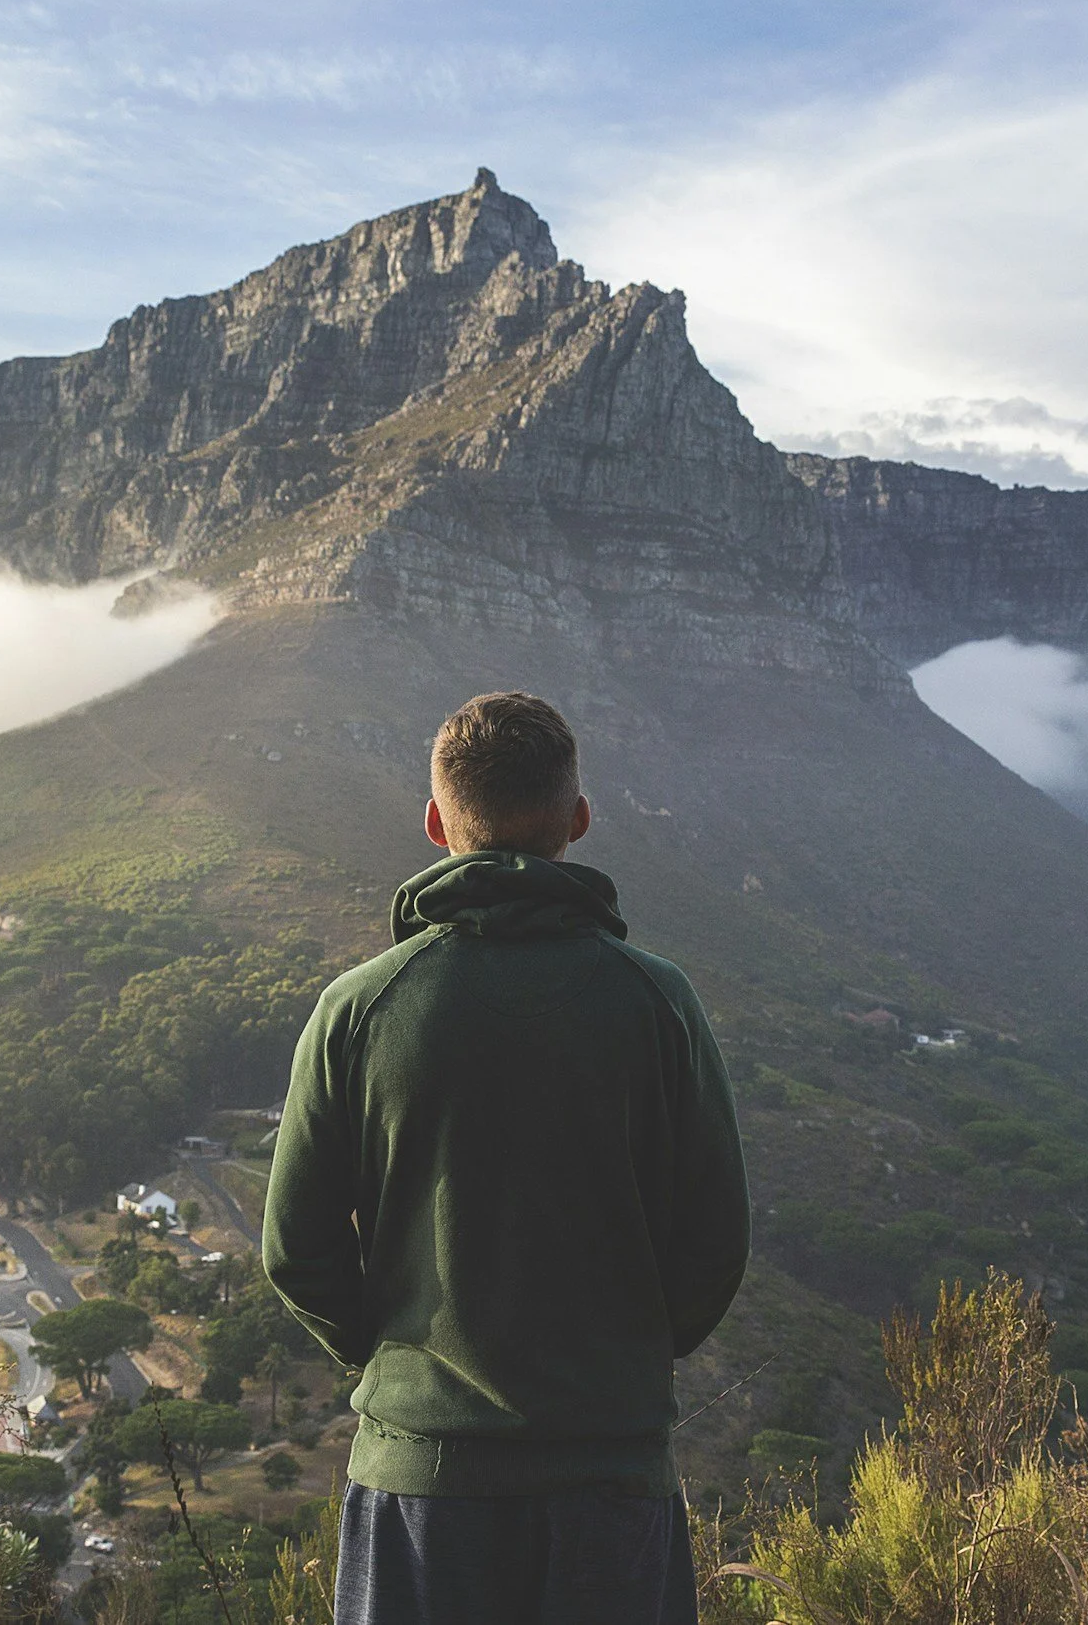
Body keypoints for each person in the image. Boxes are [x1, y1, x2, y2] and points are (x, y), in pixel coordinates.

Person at [264, 691, 751, 1624]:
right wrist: (629, 1356)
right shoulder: (657, 1003)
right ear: (578, 819)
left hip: (419, 1490)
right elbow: (716, 1242)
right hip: (611, 1477)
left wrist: (394, 1360)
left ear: (438, 820)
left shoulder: (361, 1008)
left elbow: (296, 1249)